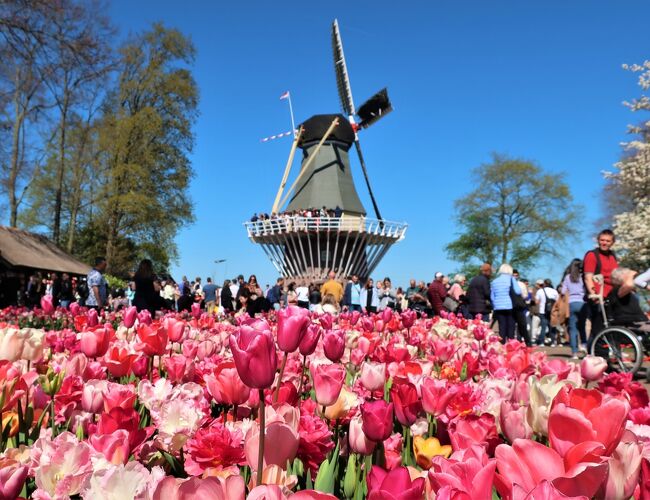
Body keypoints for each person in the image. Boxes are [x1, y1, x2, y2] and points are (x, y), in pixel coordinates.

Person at [583, 229, 618, 337]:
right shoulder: (592, 255)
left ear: (612, 242)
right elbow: (588, 277)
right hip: (599, 296)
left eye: (608, 241)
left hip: (612, 296)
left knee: (611, 326)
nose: (604, 243)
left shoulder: (613, 256)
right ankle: (596, 352)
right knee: (598, 328)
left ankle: (611, 348)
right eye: (602, 240)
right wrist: (595, 296)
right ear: (598, 240)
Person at [490, 263, 522, 342]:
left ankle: (502, 344)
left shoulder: (494, 281)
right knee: (511, 326)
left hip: (498, 307)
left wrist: (495, 304)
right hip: (510, 306)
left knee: (502, 326)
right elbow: (518, 291)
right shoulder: (511, 279)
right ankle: (510, 345)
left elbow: (492, 297)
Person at [535, 279, 559, 346]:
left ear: (544, 284)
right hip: (552, 311)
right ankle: (552, 342)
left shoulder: (540, 291)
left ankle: (542, 342)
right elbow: (558, 301)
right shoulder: (554, 291)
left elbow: (536, 301)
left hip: (543, 311)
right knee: (552, 326)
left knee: (543, 327)